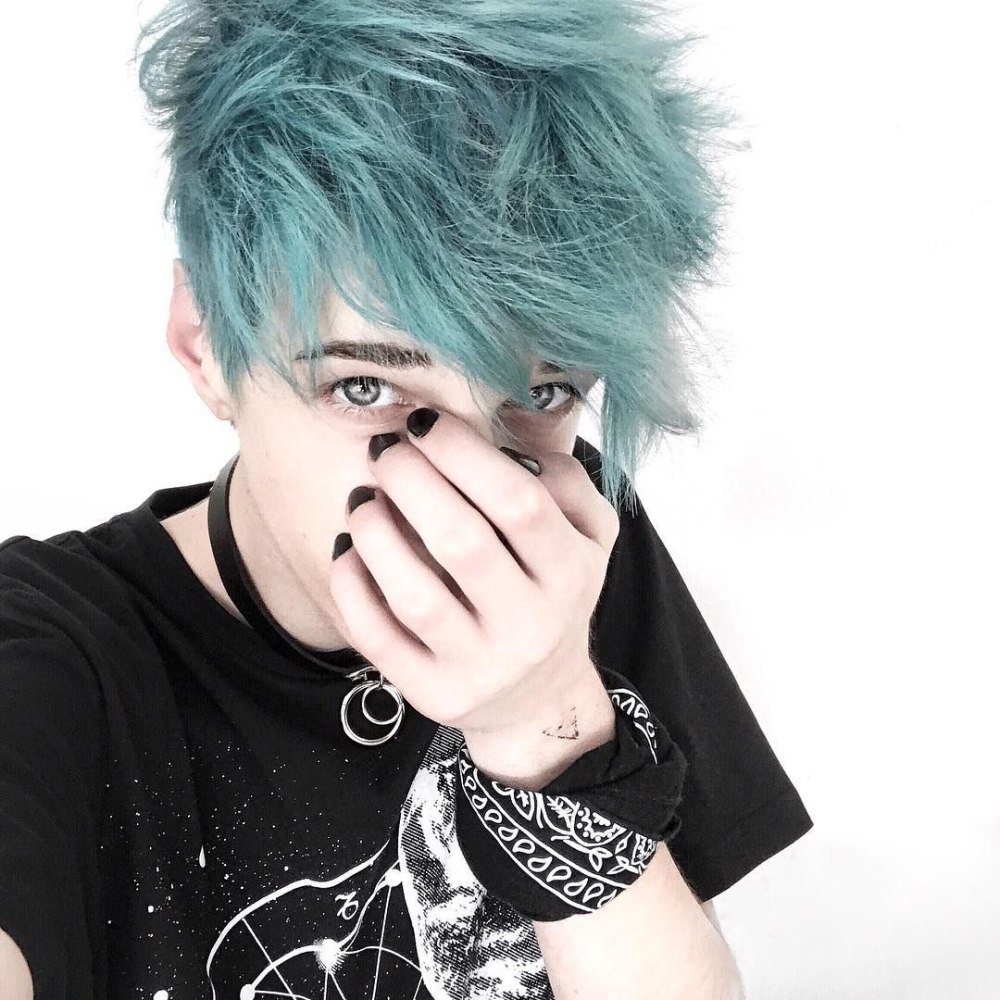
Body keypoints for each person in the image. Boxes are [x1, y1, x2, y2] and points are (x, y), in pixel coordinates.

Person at [0, 0, 813, 996]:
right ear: (205, 344)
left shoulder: (563, 532)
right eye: (366, 388)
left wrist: (546, 720)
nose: (469, 492)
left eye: (540, 395)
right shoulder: (50, 664)